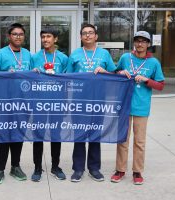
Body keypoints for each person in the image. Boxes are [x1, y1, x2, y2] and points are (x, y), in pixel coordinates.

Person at [110, 31, 165, 185]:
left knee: (139, 141)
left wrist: (147, 80)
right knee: (123, 139)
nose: (140, 44)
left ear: (148, 44)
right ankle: (120, 170)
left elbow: (160, 85)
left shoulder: (154, 63)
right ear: (134, 42)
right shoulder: (125, 58)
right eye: (137, 41)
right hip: (124, 105)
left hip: (142, 107)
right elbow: (114, 73)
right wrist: (121, 72)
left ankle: (137, 171)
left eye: (143, 41)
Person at [66, 24, 116, 182]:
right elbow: (67, 77)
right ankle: (78, 169)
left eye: (90, 33)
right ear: (80, 37)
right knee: (79, 135)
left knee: (95, 134)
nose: (87, 35)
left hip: (98, 100)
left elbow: (114, 74)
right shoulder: (75, 54)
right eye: (84, 33)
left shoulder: (104, 54)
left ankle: (94, 168)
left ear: (96, 36)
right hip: (79, 101)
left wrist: (105, 72)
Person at [0, 23, 31, 185]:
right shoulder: (0, 54)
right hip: (4, 102)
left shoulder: (28, 54)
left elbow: (33, 76)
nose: (18, 36)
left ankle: (15, 166)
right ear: (9, 36)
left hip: (23, 102)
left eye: (21, 34)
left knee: (18, 135)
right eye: (15, 34)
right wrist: (6, 74)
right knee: (3, 136)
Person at [30, 28, 68, 182]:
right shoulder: (35, 57)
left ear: (55, 39)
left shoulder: (63, 58)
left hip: (57, 102)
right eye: (43, 37)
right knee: (37, 135)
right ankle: (37, 167)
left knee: (56, 135)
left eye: (48, 36)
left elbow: (68, 80)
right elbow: (28, 79)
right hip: (39, 102)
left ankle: (55, 166)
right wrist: (33, 73)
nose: (45, 39)